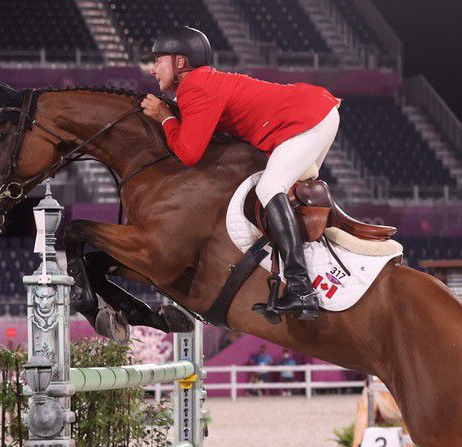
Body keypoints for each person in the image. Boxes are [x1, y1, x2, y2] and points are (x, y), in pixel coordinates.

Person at [141, 26, 342, 319]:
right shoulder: (202, 82)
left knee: (269, 189)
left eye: (158, 61)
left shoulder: (195, 86)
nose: (152, 70)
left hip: (305, 120)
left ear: (180, 62)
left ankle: (301, 289)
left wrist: (165, 116)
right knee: (287, 196)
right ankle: (308, 272)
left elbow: (188, 153)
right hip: (313, 113)